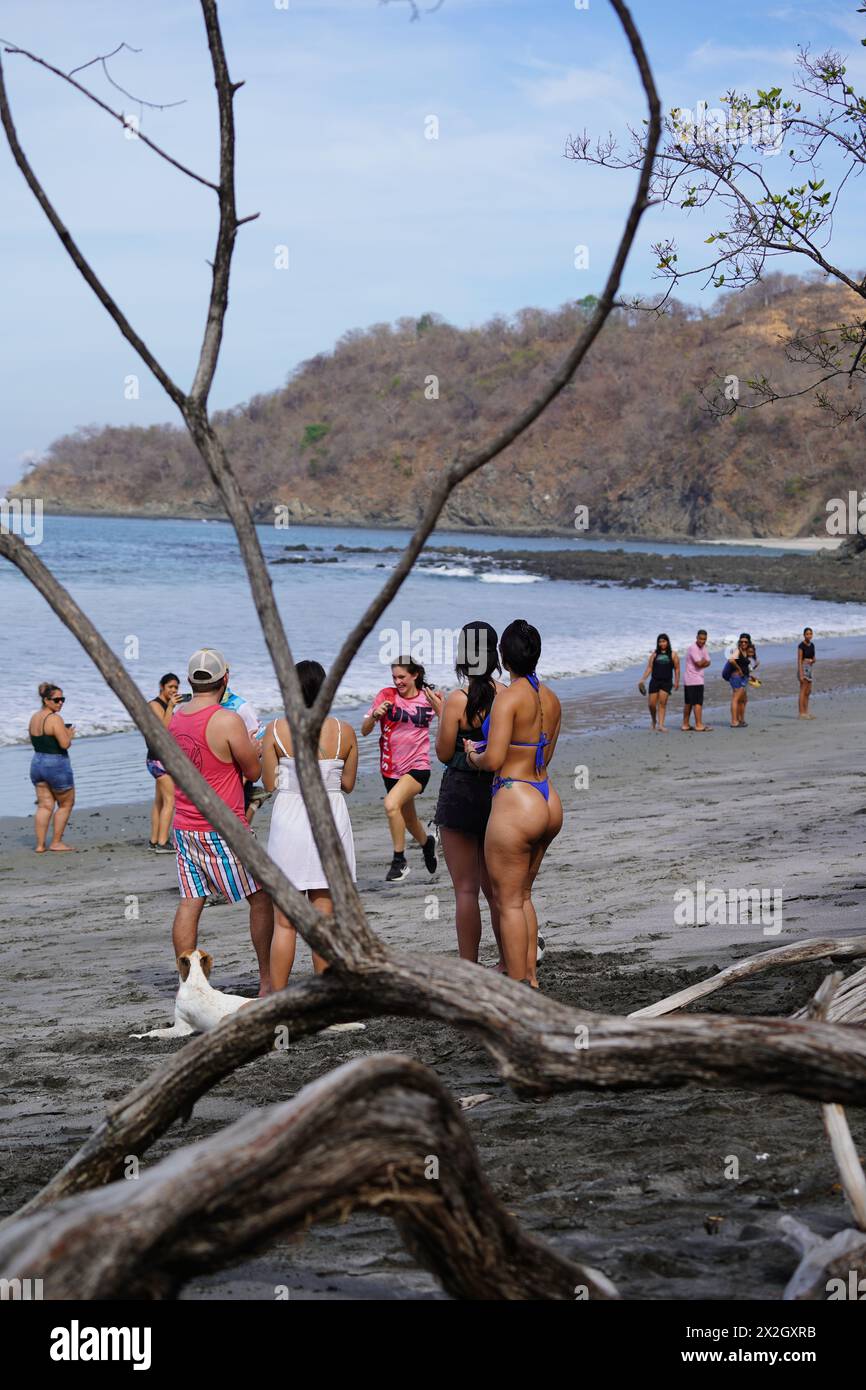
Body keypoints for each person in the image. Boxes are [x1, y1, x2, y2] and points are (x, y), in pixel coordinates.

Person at [168, 648, 273, 995]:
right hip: (223, 826)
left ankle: (190, 985)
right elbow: (253, 771)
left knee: (191, 900)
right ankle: (267, 979)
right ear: (225, 679)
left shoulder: (176, 717)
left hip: (184, 823)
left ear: (189, 681)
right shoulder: (227, 720)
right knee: (260, 896)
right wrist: (255, 751)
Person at [465, 620, 562, 987]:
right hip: (547, 798)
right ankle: (531, 979)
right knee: (523, 895)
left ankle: (518, 988)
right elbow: (545, 755)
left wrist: (473, 755)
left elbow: (492, 761)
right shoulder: (551, 698)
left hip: (515, 799)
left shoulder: (508, 698)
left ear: (504, 657)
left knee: (506, 901)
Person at [261, 661, 360, 1003]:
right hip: (329, 819)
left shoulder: (275, 729)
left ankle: (278, 999)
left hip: (290, 819)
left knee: (285, 922)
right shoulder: (345, 731)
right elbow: (347, 784)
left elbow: (268, 783)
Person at [434, 621, 506, 964]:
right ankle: (510, 963)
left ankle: (470, 969)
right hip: (498, 793)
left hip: (461, 796)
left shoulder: (456, 700)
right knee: (498, 892)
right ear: (494, 656)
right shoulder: (507, 694)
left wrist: (466, 748)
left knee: (465, 889)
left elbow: (444, 753)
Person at [362, 657, 443, 881]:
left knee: (390, 804)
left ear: (415, 675)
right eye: (394, 677)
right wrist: (375, 715)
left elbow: (448, 723)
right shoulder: (386, 696)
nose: (398, 682)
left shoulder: (428, 697)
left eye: (402, 677)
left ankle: (400, 861)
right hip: (390, 769)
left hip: (418, 766)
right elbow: (365, 730)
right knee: (407, 819)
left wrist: (439, 706)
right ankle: (428, 843)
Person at [28, 682, 76, 853]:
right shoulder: (55, 718)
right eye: (56, 700)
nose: (60, 703)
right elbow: (64, 744)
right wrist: (69, 735)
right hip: (56, 763)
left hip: (37, 762)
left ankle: (40, 845)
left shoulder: (34, 717)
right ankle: (56, 842)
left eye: (62, 699)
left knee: (44, 805)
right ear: (46, 700)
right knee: (66, 803)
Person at [146, 672, 180, 852]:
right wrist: (171, 708)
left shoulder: (166, 705)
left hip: (159, 758)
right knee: (170, 800)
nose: (173, 690)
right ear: (162, 686)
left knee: (160, 801)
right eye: (170, 687)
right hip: (158, 759)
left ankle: (154, 840)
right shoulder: (155, 705)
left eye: (176, 687)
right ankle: (162, 842)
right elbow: (163, 730)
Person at [638, 634, 680, 731]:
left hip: (666, 682)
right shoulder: (655, 654)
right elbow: (649, 668)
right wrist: (642, 679)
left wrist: (677, 681)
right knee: (651, 704)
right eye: (660, 642)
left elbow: (677, 669)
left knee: (662, 703)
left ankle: (661, 725)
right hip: (655, 681)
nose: (662, 644)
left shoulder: (673, 654)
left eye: (664, 641)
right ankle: (654, 720)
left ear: (668, 642)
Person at [681, 629, 712, 732]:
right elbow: (699, 663)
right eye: (701, 639)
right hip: (691, 678)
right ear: (696, 638)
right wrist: (703, 662)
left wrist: (703, 662)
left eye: (704, 639)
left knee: (690, 702)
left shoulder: (704, 648)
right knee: (695, 703)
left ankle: (686, 725)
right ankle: (698, 725)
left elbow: (709, 662)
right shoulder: (693, 648)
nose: (702, 641)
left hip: (698, 678)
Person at [725, 634, 751, 727]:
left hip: (743, 678)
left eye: (745, 642)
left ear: (749, 642)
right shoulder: (737, 650)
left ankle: (740, 719)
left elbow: (745, 666)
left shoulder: (745, 651)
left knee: (743, 700)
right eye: (741, 641)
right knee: (736, 699)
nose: (743, 643)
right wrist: (739, 669)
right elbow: (731, 660)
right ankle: (734, 721)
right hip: (736, 678)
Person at [798, 627, 816, 718]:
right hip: (803, 667)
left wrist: (813, 660)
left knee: (808, 691)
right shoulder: (801, 646)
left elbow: (814, 658)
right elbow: (799, 660)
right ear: (804, 635)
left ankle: (806, 711)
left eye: (810, 634)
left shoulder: (812, 645)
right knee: (803, 690)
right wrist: (801, 673)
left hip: (810, 667)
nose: (809, 635)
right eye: (807, 634)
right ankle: (801, 713)